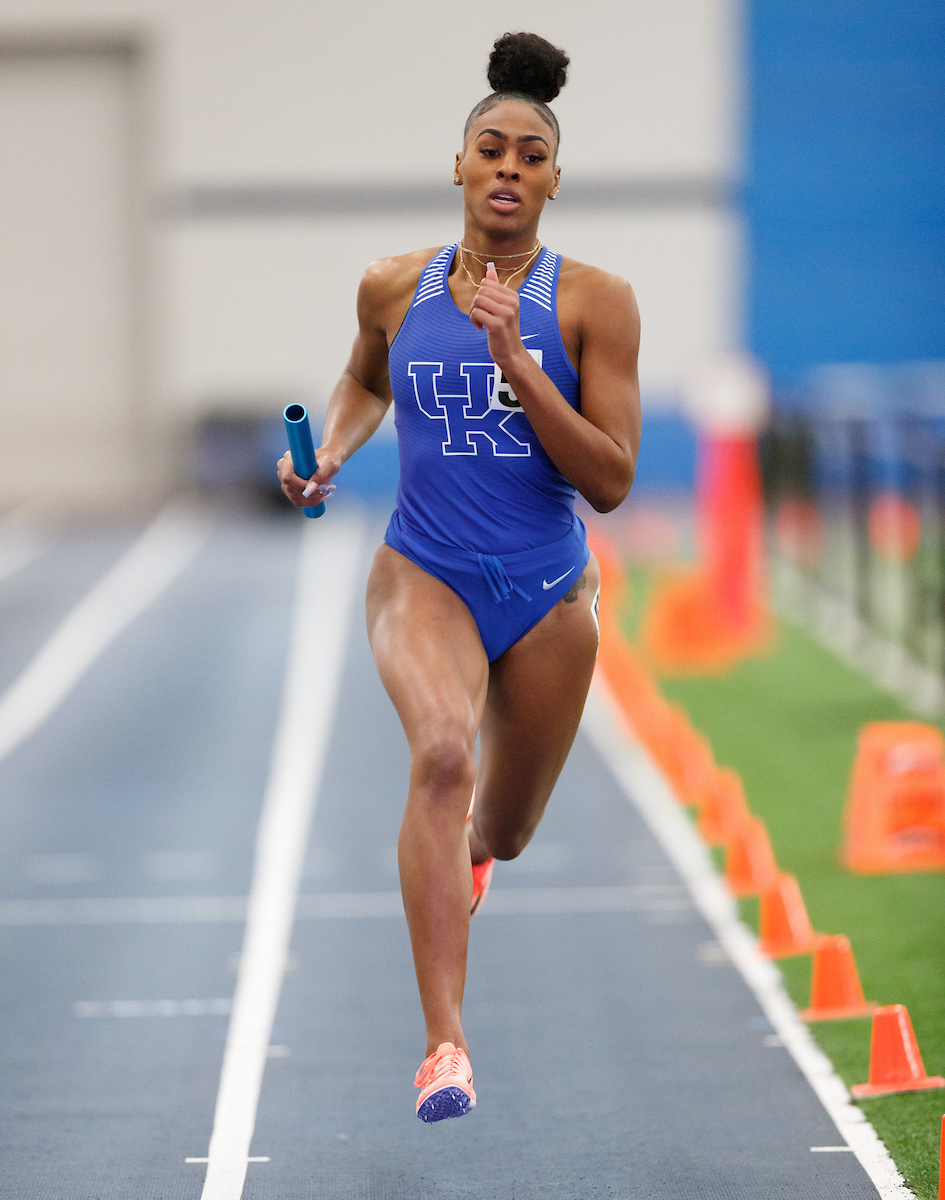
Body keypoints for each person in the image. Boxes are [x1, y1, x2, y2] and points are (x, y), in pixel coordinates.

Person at [279, 30, 641, 1123]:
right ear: (459, 165)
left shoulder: (595, 302)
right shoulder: (393, 285)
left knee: (508, 827)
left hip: (546, 591)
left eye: (531, 156)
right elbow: (359, 379)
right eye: (492, 148)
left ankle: (476, 856)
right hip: (421, 569)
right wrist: (334, 452)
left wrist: (519, 362)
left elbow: (614, 481)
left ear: (553, 181)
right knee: (441, 755)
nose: (509, 169)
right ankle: (446, 1045)